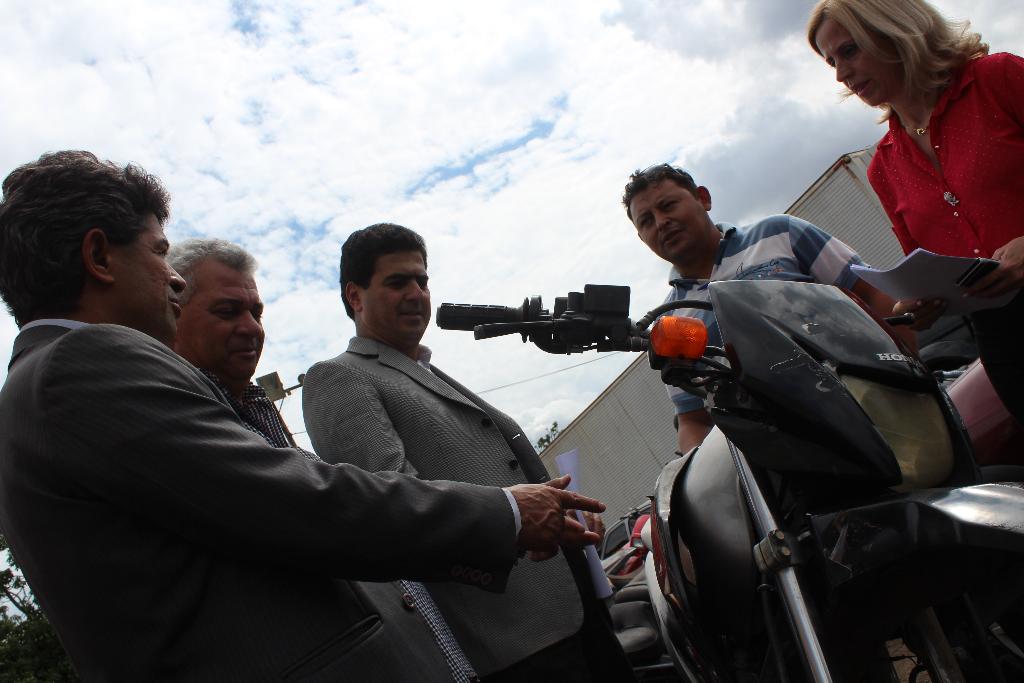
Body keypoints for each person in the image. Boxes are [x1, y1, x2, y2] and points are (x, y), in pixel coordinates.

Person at [0, 151, 604, 682]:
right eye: (160, 252)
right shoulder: (82, 360)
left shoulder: (43, 382)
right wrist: (505, 511)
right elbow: (292, 504)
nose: (173, 277)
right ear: (100, 257)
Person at [302, 223, 633, 682]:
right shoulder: (339, 378)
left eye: (423, 280)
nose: (417, 293)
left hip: (571, 609)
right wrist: (518, 524)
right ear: (355, 297)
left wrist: (564, 519)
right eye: (398, 282)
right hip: (512, 642)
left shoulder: (425, 373)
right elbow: (395, 507)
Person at [168, 237, 481, 681]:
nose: (252, 328)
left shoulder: (255, 414)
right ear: (171, 313)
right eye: (227, 311)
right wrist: (509, 514)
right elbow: (363, 514)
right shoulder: (190, 430)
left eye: (256, 312)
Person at [807, 0, 1024, 425]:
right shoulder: (884, 167)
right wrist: (921, 303)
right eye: (830, 61)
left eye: (849, 50)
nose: (839, 73)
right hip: (1005, 343)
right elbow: (926, 263)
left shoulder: (997, 78)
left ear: (895, 31)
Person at [623, 164, 908, 453]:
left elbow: (874, 296)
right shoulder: (671, 322)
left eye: (668, 205)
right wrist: (686, 472)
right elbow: (694, 419)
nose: (661, 222)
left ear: (703, 198)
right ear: (641, 237)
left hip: (878, 414)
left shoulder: (781, 233)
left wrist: (910, 383)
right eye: (646, 221)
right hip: (785, 461)